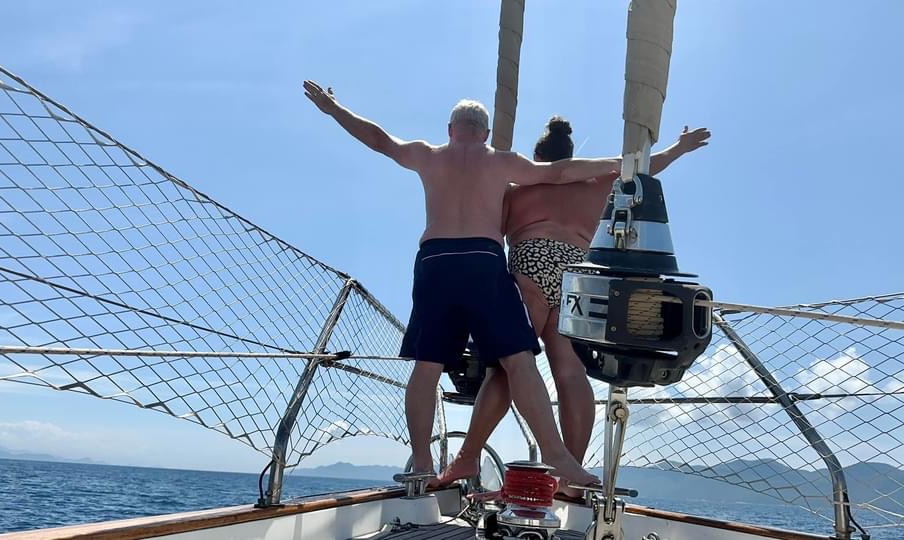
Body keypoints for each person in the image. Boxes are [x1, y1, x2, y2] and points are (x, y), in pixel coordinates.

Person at [303, 80, 624, 488]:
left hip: (435, 261)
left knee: (427, 366)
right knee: (518, 360)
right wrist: (618, 163)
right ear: (485, 134)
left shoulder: (427, 154)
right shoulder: (502, 162)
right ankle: (556, 456)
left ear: (450, 129)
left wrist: (335, 110)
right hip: (482, 261)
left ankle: (422, 463)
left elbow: (379, 140)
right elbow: (558, 173)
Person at [436, 116, 711, 493]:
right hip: (576, 276)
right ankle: (571, 475)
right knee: (570, 373)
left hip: (531, 264)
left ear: (537, 158)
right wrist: (680, 148)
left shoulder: (518, 187)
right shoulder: (599, 185)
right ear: (572, 155)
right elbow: (643, 168)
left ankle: (468, 455)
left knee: (507, 366)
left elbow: (486, 226)